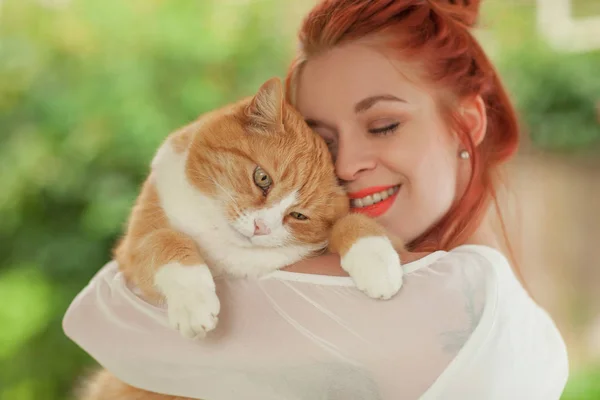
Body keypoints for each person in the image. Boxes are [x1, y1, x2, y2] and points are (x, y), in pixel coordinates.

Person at [63, 0, 569, 399]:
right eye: (321, 141)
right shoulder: (517, 319)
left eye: (383, 125)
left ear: (469, 123)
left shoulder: (458, 297)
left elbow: (102, 314)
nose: (345, 167)